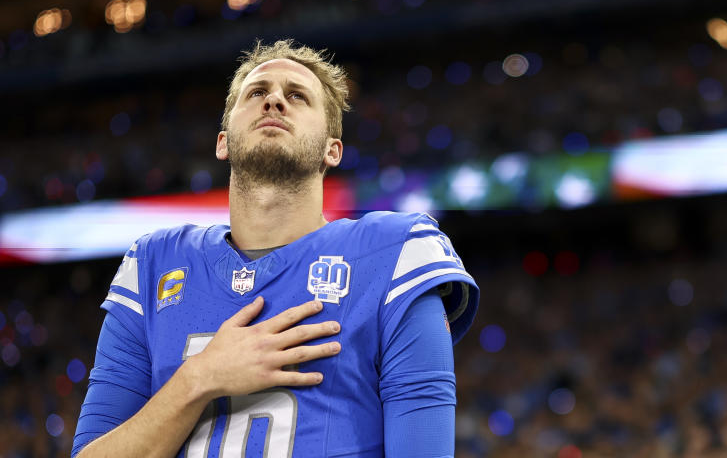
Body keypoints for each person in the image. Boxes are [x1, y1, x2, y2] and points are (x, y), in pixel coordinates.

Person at [72, 39, 479, 458]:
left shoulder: (395, 254)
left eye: (297, 96)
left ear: (331, 149)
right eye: (257, 93)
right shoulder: (153, 264)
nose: (275, 102)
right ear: (223, 141)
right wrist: (199, 379)